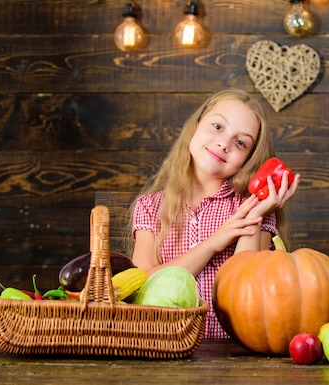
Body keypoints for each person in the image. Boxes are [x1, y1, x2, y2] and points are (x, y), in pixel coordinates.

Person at [129, 88, 301, 338]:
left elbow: (246, 286)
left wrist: (259, 213)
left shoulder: (249, 208)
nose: (224, 144)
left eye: (240, 142)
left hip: (231, 352)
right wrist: (212, 244)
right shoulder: (150, 207)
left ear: (249, 159)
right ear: (196, 125)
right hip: (162, 344)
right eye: (218, 126)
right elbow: (141, 283)